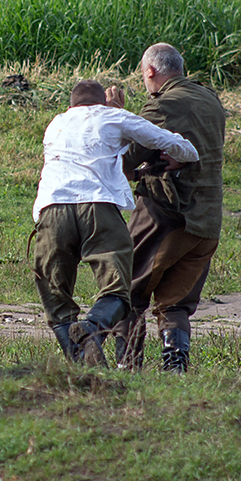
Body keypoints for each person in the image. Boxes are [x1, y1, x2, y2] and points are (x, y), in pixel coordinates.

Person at [32, 79, 199, 366]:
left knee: (56, 298)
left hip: (51, 210)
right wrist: (183, 158)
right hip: (98, 209)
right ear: (102, 103)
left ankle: (86, 365)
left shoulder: (55, 123)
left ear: (71, 105)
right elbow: (175, 144)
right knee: (118, 292)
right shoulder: (114, 115)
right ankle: (91, 329)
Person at [109, 43, 227, 372]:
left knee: (126, 290)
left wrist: (116, 117)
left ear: (150, 72)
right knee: (174, 303)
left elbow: (121, 159)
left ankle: (127, 366)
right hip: (207, 220)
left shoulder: (162, 106)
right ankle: (175, 368)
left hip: (166, 214)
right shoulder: (211, 100)